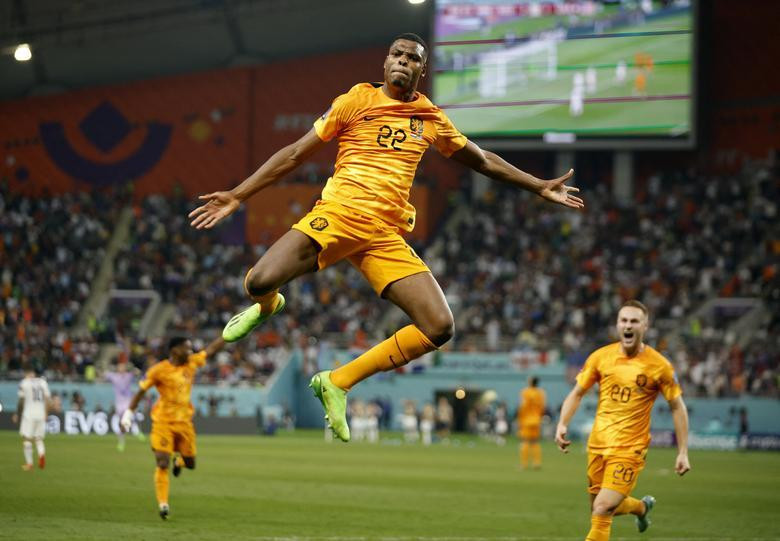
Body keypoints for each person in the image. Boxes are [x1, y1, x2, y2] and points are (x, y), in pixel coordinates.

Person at [189, 32, 583, 442]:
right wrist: (238, 195)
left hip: (383, 235)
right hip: (338, 216)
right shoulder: (355, 100)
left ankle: (338, 381)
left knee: (439, 327)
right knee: (257, 282)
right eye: (397, 54)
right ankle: (269, 305)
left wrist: (537, 185)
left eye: (412, 58)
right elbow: (294, 153)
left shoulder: (430, 118)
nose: (403, 61)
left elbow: (482, 160)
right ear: (385, 61)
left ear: (422, 70)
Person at [555, 300, 691, 541]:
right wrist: (562, 423)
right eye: (624, 320)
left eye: (634, 321)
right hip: (598, 445)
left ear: (645, 326)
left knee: (602, 508)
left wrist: (683, 451)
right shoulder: (600, 357)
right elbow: (577, 393)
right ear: (617, 325)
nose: (628, 325)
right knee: (599, 506)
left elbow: (677, 407)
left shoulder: (659, 366)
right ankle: (641, 507)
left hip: (630, 448)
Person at [120, 336, 225, 520]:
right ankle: (163, 504)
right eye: (187, 348)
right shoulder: (158, 370)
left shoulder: (192, 362)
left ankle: (180, 462)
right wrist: (128, 413)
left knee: (191, 463)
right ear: (175, 350)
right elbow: (141, 391)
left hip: (185, 423)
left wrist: (230, 333)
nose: (190, 352)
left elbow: (211, 350)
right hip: (163, 422)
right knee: (162, 462)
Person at [13, 363, 51, 471]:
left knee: (27, 438)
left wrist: (17, 413)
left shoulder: (24, 383)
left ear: (26, 373)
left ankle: (29, 464)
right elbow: (48, 400)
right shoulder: (43, 382)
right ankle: (41, 454)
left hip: (29, 414)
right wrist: (46, 413)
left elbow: (21, 400)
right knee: (38, 438)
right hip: (41, 414)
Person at [104, 360, 145, 451]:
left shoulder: (128, 375)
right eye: (120, 367)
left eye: (123, 367)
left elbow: (138, 373)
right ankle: (121, 442)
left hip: (128, 401)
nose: (122, 369)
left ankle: (138, 432)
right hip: (119, 403)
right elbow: (105, 374)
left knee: (132, 417)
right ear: (118, 369)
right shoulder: (114, 376)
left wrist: (135, 370)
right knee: (122, 423)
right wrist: (106, 371)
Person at [518, 376, 546, 469]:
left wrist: (520, 418)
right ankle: (537, 463)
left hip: (526, 419)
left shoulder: (525, 392)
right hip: (536, 420)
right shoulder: (540, 393)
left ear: (530, 382)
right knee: (535, 442)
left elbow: (523, 406)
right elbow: (542, 407)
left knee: (525, 441)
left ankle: (524, 464)